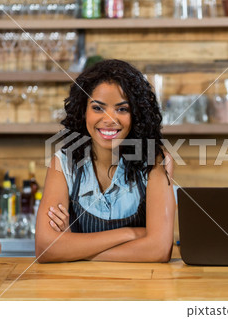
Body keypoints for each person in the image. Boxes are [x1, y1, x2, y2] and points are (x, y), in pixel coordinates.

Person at [35, 59, 175, 263]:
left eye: (122, 109)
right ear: (83, 111)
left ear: (136, 114)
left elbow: (159, 250)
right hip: (80, 291)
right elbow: (45, 248)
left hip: (141, 290)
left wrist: (72, 247)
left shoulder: (155, 162)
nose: (109, 119)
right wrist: (130, 234)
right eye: (98, 108)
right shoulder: (63, 163)